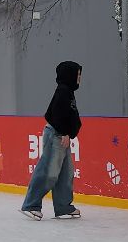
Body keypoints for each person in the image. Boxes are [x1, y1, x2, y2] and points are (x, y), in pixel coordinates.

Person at [21, 61, 83, 220]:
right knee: (49, 172)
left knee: (65, 173)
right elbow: (56, 114)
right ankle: (31, 205)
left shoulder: (68, 92)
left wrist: (68, 133)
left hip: (62, 135)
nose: (79, 78)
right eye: (77, 74)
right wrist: (65, 132)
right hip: (56, 134)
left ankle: (63, 207)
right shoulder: (63, 91)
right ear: (69, 75)